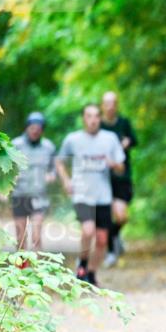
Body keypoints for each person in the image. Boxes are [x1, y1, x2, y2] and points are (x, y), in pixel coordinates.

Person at [55, 103, 125, 287]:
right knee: (88, 230)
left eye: (96, 116)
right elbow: (59, 162)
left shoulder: (110, 139)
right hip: (82, 195)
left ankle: (91, 274)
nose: (93, 120)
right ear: (83, 119)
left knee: (102, 240)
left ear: (100, 118)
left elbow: (121, 167)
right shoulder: (73, 139)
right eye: (89, 116)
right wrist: (66, 181)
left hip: (103, 196)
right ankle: (82, 266)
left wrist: (114, 164)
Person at [99, 91, 137, 267]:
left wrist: (127, 143)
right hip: (102, 178)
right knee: (105, 217)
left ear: (117, 105)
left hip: (122, 176)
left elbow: (134, 140)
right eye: (107, 103)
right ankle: (111, 252)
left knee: (121, 216)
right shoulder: (97, 126)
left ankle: (114, 235)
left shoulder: (124, 123)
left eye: (113, 103)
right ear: (102, 106)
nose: (110, 106)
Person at [10, 111, 57, 251]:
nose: (35, 132)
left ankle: (37, 272)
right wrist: (11, 177)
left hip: (39, 196)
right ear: (27, 128)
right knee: (21, 237)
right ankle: (22, 270)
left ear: (42, 130)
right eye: (32, 128)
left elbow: (54, 168)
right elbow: (4, 168)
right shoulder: (15, 145)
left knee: (37, 237)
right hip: (20, 195)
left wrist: (51, 175)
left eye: (38, 129)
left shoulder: (49, 147)